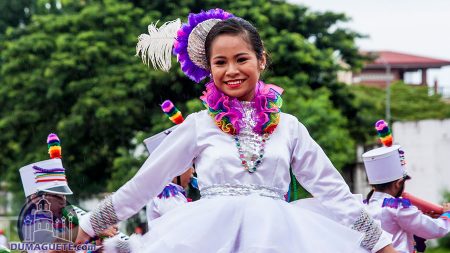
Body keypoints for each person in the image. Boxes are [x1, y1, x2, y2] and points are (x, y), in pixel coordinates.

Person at [76, 9, 398, 253]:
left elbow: (333, 192)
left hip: (277, 238)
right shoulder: (198, 125)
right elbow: (146, 182)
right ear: (209, 68)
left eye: (241, 58)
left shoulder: (289, 128)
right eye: (220, 62)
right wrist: (92, 223)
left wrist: (380, 242)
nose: (231, 71)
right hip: (207, 238)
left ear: (261, 60)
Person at [363, 120, 450, 253]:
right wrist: (447, 214)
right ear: (398, 183)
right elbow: (436, 229)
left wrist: (422, 216)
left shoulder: (364, 206)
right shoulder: (397, 208)